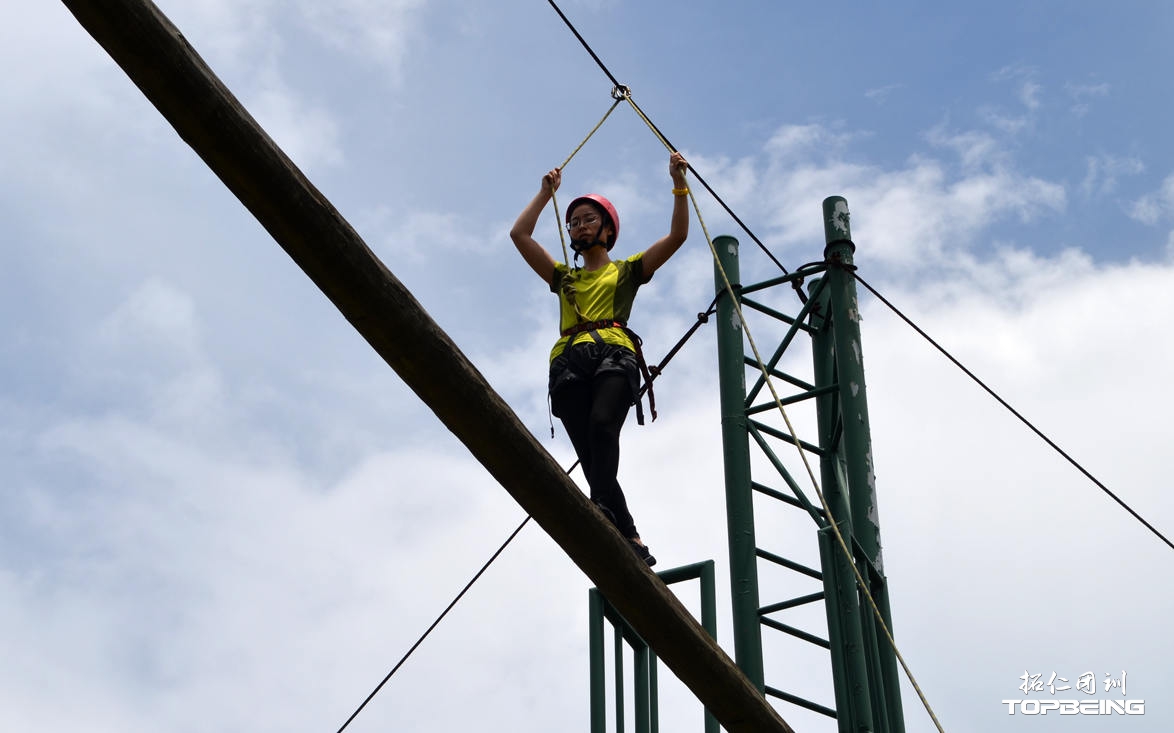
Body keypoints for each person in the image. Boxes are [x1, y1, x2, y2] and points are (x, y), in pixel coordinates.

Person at [510, 152, 690, 567]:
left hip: (613, 353)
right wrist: (544, 195)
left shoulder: (626, 271)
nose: (578, 226)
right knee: (592, 455)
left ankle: (601, 509)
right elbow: (520, 235)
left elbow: (677, 236)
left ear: (608, 230)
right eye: (574, 222)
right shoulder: (564, 278)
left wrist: (678, 183)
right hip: (569, 362)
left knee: (603, 426)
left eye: (588, 219)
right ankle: (631, 535)